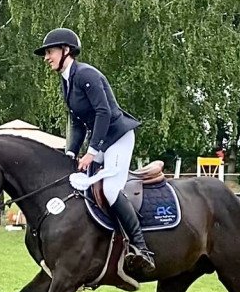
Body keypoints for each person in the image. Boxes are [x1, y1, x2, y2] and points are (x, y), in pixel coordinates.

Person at [34, 27, 155, 272]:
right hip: (101, 141)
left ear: (66, 51)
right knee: (79, 182)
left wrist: (92, 151)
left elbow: (104, 112)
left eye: (50, 52)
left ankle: (141, 248)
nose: (47, 57)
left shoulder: (86, 74)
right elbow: (77, 121)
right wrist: (70, 153)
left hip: (118, 137)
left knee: (110, 190)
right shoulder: (66, 82)